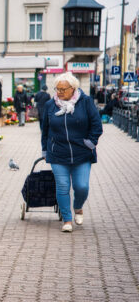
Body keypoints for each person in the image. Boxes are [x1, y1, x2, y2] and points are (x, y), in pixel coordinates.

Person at [41, 72, 103, 232]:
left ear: (73, 88)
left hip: (82, 153)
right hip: (58, 153)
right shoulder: (50, 105)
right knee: (62, 186)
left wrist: (90, 143)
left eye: (63, 89)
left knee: (81, 187)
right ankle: (67, 220)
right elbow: (45, 129)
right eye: (57, 89)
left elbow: (96, 125)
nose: (59, 92)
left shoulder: (86, 102)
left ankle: (78, 207)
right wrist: (45, 149)